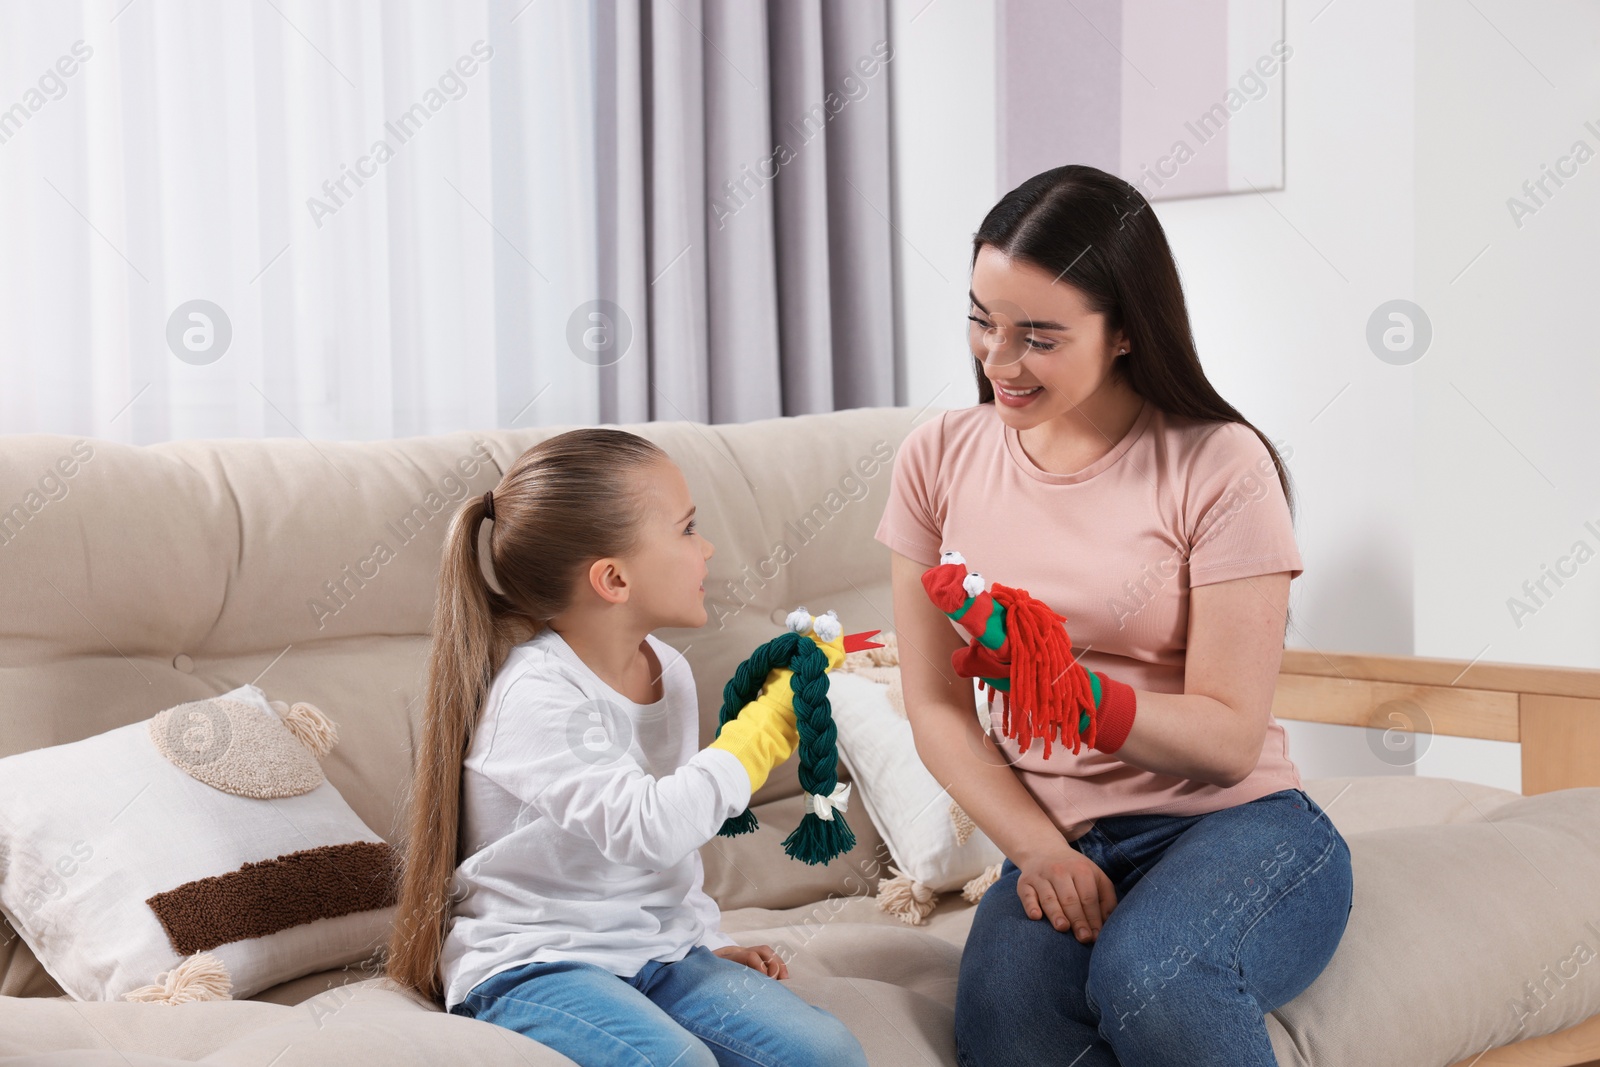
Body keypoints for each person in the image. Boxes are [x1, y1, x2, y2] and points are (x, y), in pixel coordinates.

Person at [873, 164, 1354, 1066]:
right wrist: (1036, 849)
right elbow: (934, 705)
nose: (998, 360)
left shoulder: (1219, 464)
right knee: (1009, 1036)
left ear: (1127, 329)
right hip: (1059, 838)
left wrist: (1054, 685)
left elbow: (1225, 739)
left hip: (1238, 827)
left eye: (1039, 338)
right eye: (982, 319)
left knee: (1156, 975)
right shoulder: (937, 458)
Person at [384, 427, 869, 1067]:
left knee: (827, 1053)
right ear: (613, 578)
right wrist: (760, 732)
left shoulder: (666, 668)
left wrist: (701, 939)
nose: (709, 549)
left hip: (654, 954)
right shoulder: (534, 695)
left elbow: (666, 864)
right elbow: (650, 828)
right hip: (538, 963)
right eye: (688, 529)